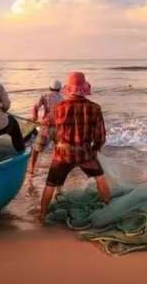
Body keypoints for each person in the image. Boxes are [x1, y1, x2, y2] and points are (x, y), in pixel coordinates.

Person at [39, 72, 110, 222]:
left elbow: (46, 131)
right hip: (85, 153)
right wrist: (94, 150)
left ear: (68, 90)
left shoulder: (58, 108)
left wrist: (54, 142)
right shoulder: (95, 108)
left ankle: (42, 216)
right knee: (100, 179)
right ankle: (108, 209)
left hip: (62, 154)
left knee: (50, 185)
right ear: (84, 89)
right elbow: (101, 137)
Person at [29, 80, 63, 174]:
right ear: (59, 89)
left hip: (46, 126)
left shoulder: (45, 96)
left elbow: (36, 107)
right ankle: (55, 168)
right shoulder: (62, 98)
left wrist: (34, 117)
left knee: (36, 148)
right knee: (57, 149)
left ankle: (32, 169)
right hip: (58, 127)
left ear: (49, 88)